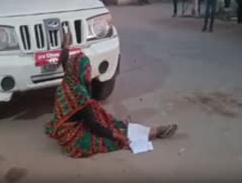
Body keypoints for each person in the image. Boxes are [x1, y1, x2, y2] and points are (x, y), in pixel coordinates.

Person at [45, 31, 178, 158]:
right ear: (79, 72)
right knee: (108, 138)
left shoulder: (69, 78)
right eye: (87, 69)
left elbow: (65, 60)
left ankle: (136, 129)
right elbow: (94, 127)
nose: (89, 73)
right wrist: (117, 137)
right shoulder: (79, 96)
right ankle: (154, 133)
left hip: (67, 124)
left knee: (105, 118)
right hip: (72, 136)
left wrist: (66, 46)